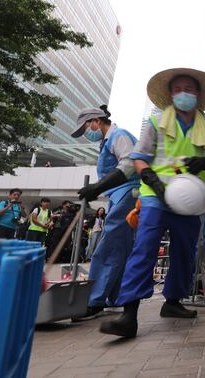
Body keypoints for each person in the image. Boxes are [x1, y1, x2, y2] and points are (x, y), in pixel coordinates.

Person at [99, 68, 205, 338]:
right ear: (170, 94)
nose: (183, 94)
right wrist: (148, 175)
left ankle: (173, 302)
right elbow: (139, 156)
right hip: (156, 196)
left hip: (190, 198)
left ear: (198, 94)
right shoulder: (156, 123)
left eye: (189, 89)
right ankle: (129, 314)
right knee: (144, 249)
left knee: (184, 251)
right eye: (178, 89)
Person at [69, 105, 141, 321]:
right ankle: (116, 296)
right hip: (120, 196)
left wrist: (97, 187)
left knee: (108, 247)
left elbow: (129, 163)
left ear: (95, 121)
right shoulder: (107, 142)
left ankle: (94, 301)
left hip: (128, 194)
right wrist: (99, 189)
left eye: (86, 128)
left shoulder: (118, 135)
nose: (87, 133)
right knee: (120, 249)